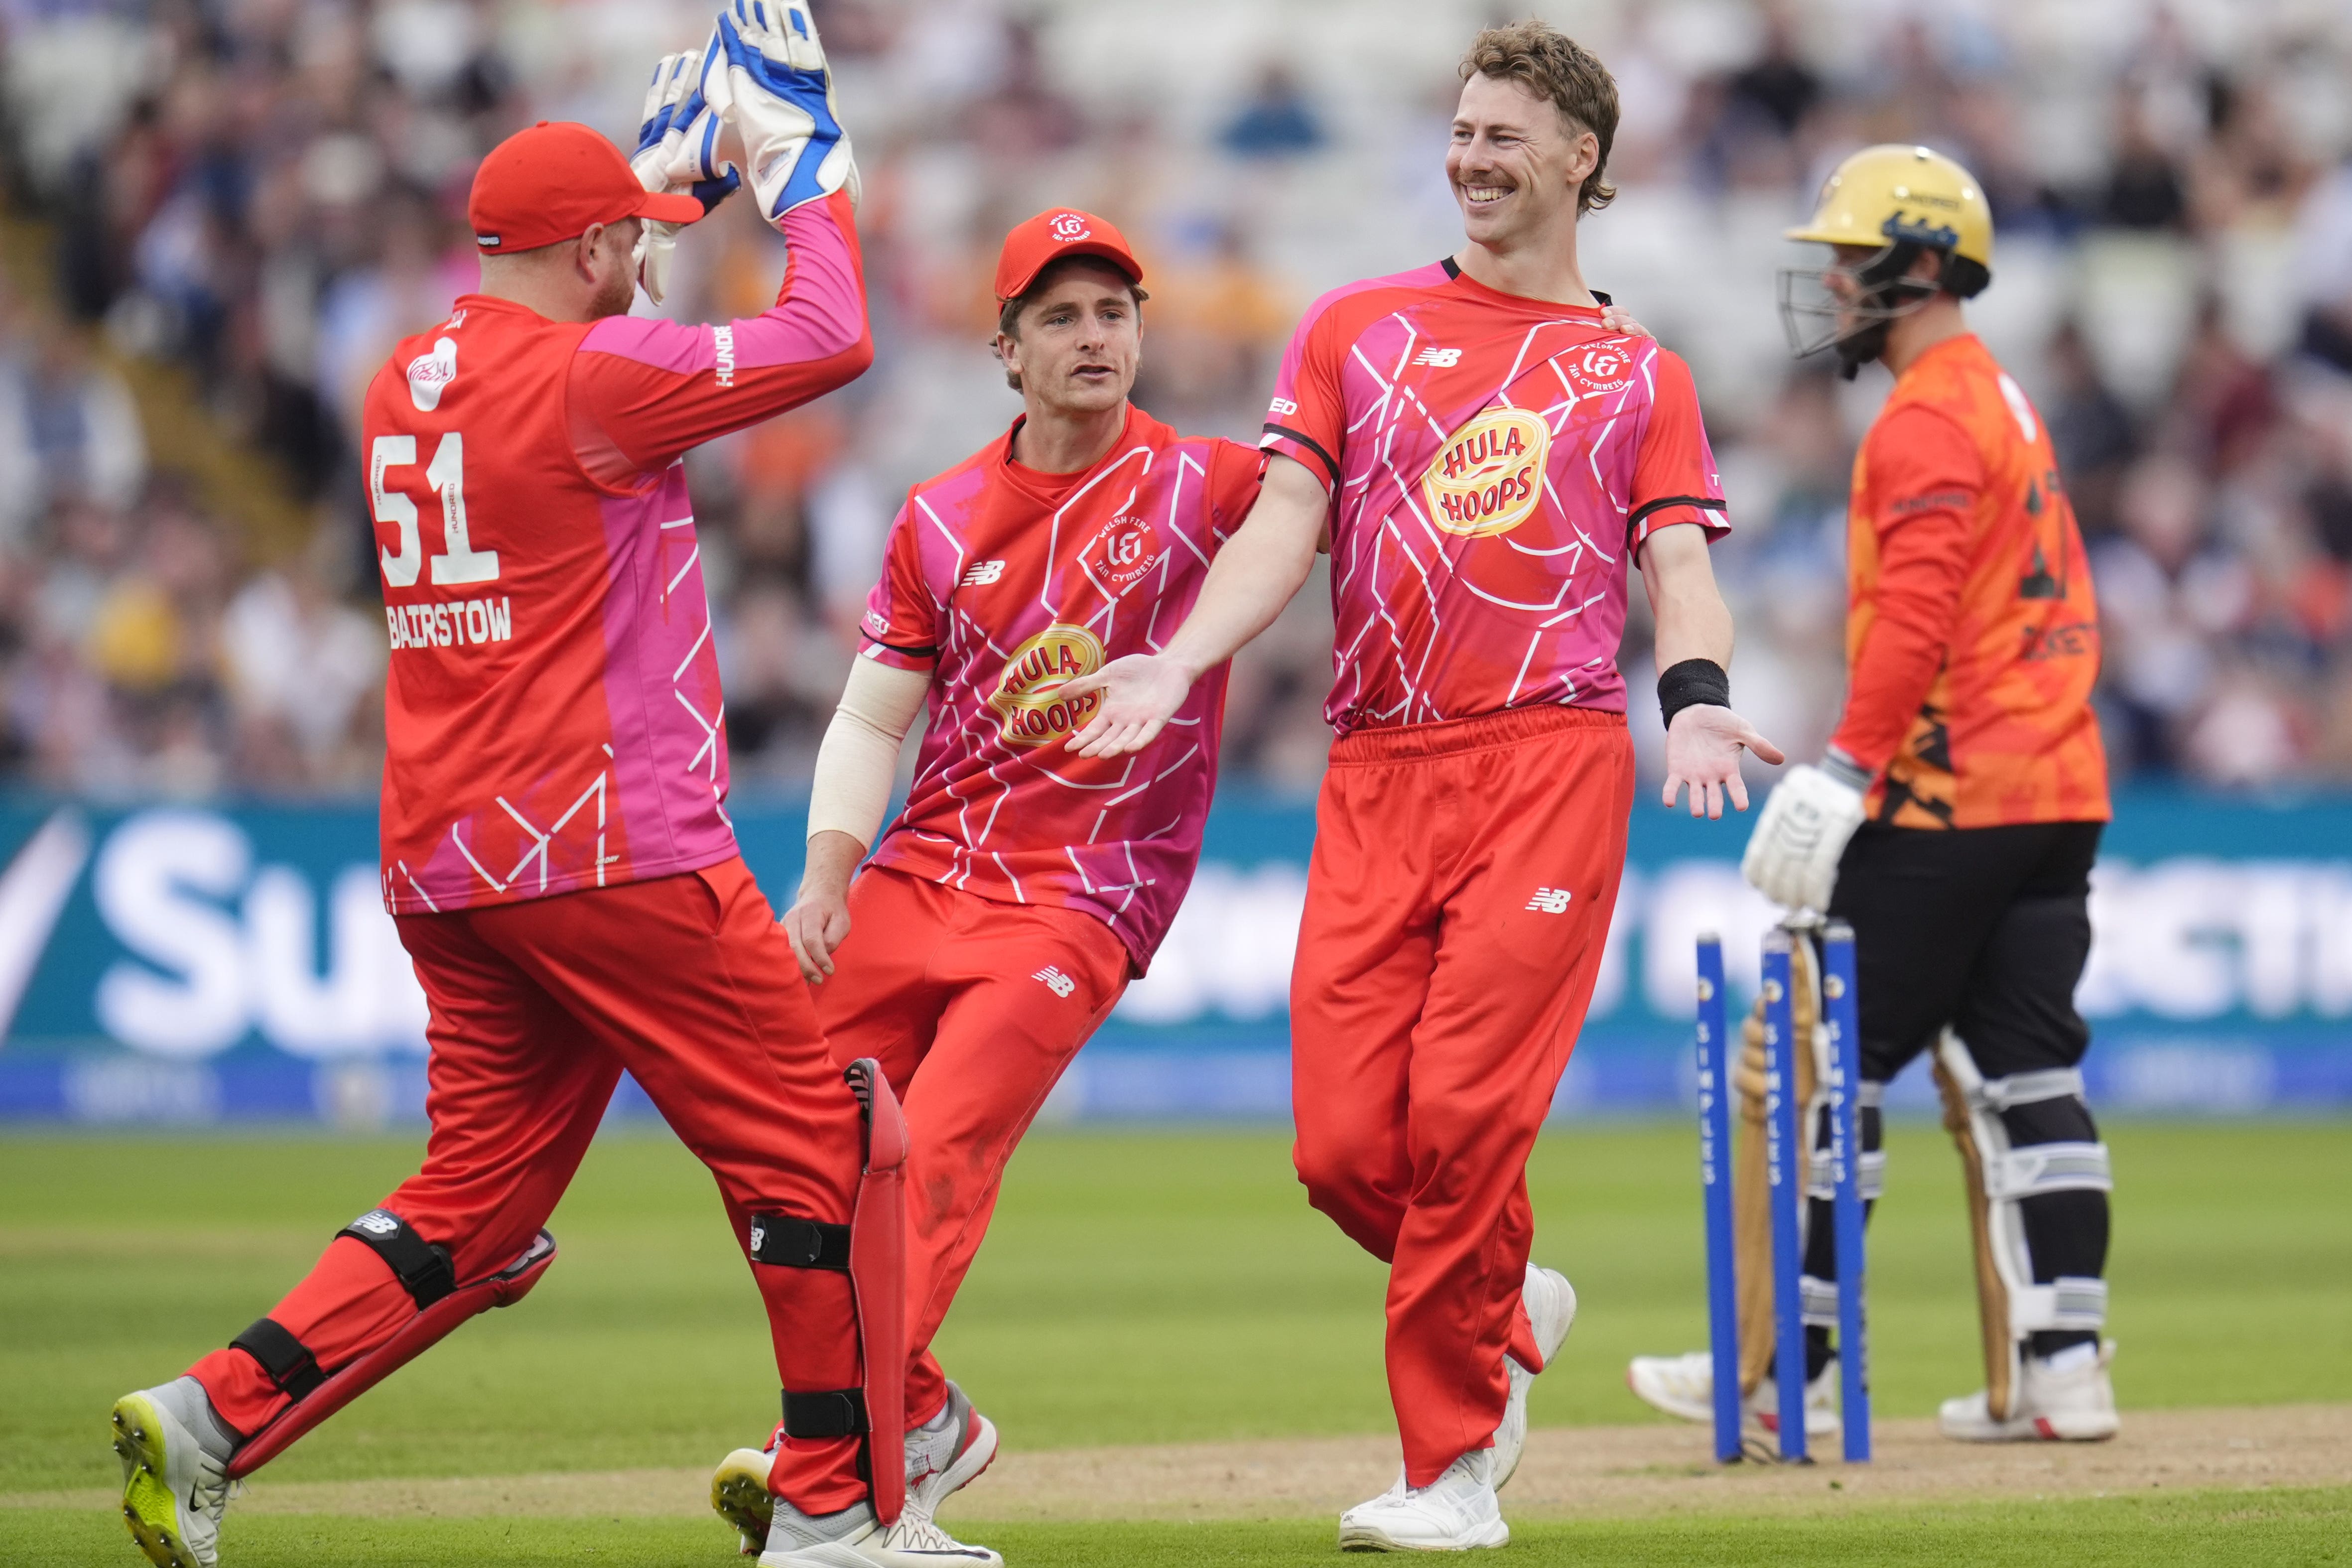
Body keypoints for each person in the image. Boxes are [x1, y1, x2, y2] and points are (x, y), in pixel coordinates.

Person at [105, 9, 952, 1568]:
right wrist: (799, 173)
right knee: (824, 1145)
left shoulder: (395, 376)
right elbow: (827, 336)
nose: (643, 263)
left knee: (477, 1208)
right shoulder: (594, 381)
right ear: (585, 257)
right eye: (626, 247)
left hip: (447, 858)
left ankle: (211, 1413)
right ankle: (838, 1505)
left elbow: (585, 309)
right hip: (613, 842)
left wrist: (655, 198)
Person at [1062, 22, 1779, 1552]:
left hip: (1548, 761)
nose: (1469, 159)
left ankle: (1452, 1472)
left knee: (1459, 1122)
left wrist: (1700, 708)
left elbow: (1677, 565)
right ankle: (1508, 1296)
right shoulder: (1353, 329)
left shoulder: (1634, 371)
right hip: (1376, 764)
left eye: (1503, 135)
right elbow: (1281, 523)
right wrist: (1179, 656)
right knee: (1337, 1150)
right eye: (1460, 131)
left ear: (1579, 157)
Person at [697, 205, 1263, 1564]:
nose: (1093, 337)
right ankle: (916, 1413)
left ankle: (847, 1488)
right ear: (1004, 349)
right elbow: (871, 719)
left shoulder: (1211, 484)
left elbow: (1335, 507)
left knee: (935, 1147)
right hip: (922, 871)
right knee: (773, 1129)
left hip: (1085, 891)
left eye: (1114, 312)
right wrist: (826, 879)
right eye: (1060, 316)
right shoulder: (937, 516)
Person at [1628, 145, 2118, 1445]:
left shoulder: (1923, 417)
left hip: (1951, 795)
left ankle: (1778, 1365)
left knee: (1799, 1065)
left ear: (1913, 264)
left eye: (1848, 262)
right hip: (2055, 787)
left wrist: (1846, 770)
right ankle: (2064, 1365)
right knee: (2024, 1072)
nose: (1831, 286)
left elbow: (1912, 616)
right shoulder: (1995, 396)